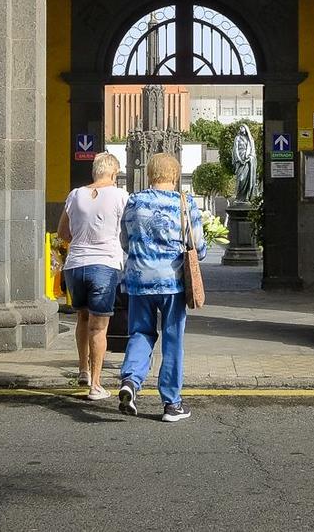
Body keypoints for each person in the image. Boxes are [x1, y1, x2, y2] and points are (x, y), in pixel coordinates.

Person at [117, 151, 205, 422]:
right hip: (172, 283)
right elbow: (198, 247)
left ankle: (131, 382)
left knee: (140, 333)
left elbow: (124, 240)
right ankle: (171, 404)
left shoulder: (134, 201)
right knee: (172, 339)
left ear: (150, 174)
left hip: (139, 280)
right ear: (175, 176)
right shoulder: (185, 202)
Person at [55, 151, 126, 400]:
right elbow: (128, 230)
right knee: (99, 327)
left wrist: (82, 241)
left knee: (82, 319)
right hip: (104, 265)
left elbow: (62, 231)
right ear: (114, 173)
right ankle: (96, 385)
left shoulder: (75, 195)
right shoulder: (120, 196)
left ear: (94, 172)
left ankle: (83, 370)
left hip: (75, 266)